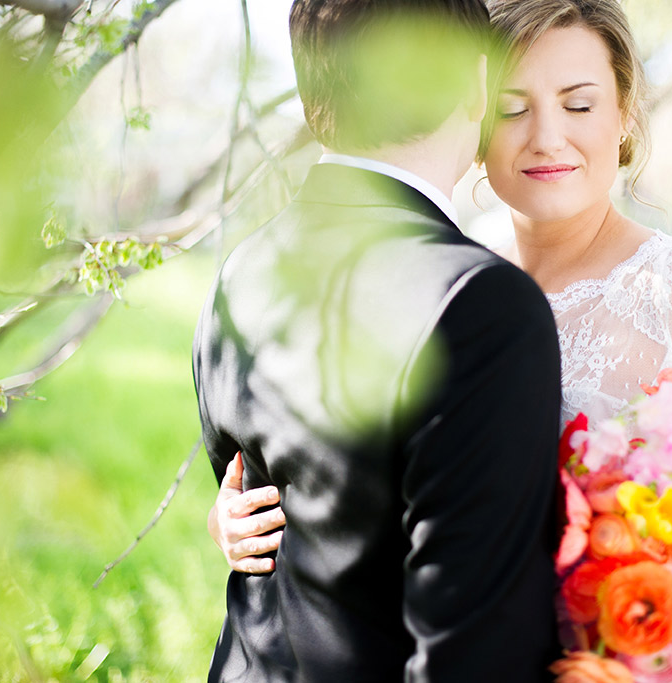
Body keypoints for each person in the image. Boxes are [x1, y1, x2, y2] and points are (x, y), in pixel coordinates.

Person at [212, 0, 672, 591]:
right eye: (511, 109)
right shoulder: (440, 282)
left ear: (625, 113)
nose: (548, 138)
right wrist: (239, 516)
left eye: (579, 104)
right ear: (472, 113)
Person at [192, 0, 563, 680]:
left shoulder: (241, 273)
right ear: (476, 83)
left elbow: (271, 512)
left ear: (313, 95)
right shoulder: (478, 303)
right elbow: (473, 649)